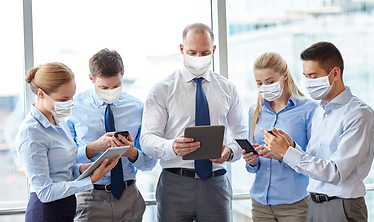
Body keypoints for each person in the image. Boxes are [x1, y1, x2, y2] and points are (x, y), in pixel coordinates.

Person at [140, 23, 248, 222]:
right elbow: (146, 140)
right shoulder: (162, 89)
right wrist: (171, 146)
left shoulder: (228, 89)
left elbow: (241, 134)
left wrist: (230, 151)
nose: (198, 58)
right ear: (182, 49)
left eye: (204, 52)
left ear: (214, 50)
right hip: (175, 184)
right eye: (192, 52)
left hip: (216, 185)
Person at [262, 42, 374, 222]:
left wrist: (287, 153)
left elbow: (336, 172)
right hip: (314, 204)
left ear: (335, 73)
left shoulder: (359, 114)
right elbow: (316, 161)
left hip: (342, 206)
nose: (308, 82)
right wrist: (290, 148)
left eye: (313, 76)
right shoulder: (319, 111)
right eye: (306, 76)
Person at [16, 62, 120, 222]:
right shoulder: (31, 132)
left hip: (67, 206)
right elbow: (45, 192)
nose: (69, 103)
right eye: (63, 99)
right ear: (41, 94)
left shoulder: (57, 120)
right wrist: (90, 180)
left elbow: (62, 170)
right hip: (46, 212)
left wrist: (86, 169)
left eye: (71, 97)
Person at [66, 48, 157, 222]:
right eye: (103, 87)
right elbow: (65, 161)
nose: (110, 91)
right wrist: (93, 148)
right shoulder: (73, 108)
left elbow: (149, 163)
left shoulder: (138, 108)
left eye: (116, 86)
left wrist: (131, 152)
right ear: (91, 79)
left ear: (123, 76)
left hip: (129, 196)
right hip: (89, 196)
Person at [242, 52, 318, 222]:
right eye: (259, 83)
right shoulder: (254, 111)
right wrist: (251, 161)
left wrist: (284, 154)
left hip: (295, 203)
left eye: (270, 82)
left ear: (284, 75)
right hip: (260, 202)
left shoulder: (309, 109)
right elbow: (253, 166)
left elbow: (315, 161)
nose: (265, 87)